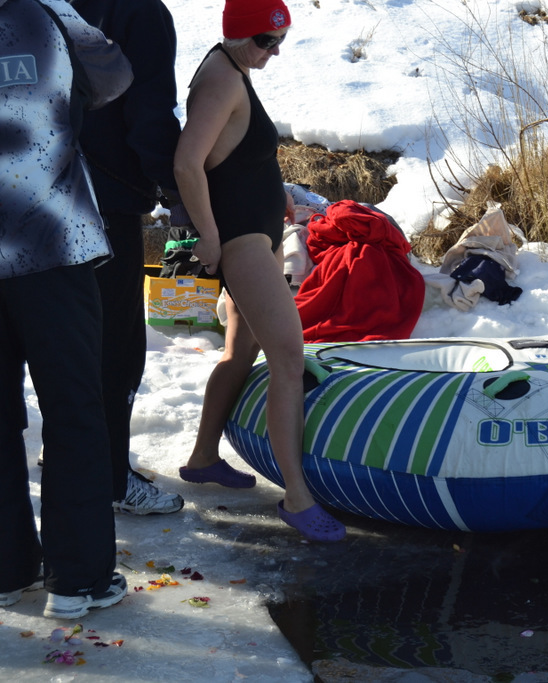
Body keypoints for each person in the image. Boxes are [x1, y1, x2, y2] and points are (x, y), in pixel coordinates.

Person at [173, 0, 346, 541]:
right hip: (241, 240)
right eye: (265, 41)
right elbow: (187, 162)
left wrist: (280, 193)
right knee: (288, 358)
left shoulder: (234, 65)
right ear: (237, 33)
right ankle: (297, 497)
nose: (274, 52)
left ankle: (203, 458)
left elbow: (238, 152)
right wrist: (207, 234)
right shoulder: (221, 80)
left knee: (241, 349)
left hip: (259, 230)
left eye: (280, 41)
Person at [0, 0, 131, 617]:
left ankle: (6, 568)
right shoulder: (47, 12)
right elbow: (113, 77)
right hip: (52, 240)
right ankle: (78, 579)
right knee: (74, 408)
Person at [73, 0, 186, 515]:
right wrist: (177, 191)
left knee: (65, 340)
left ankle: (72, 452)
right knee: (115, 348)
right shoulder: (139, 12)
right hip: (106, 200)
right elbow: (149, 113)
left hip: (36, 198)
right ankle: (112, 478)